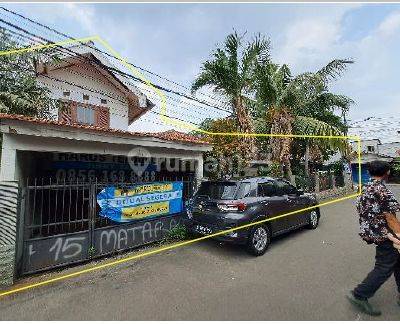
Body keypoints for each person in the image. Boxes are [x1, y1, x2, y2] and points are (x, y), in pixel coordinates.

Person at [346, 160, 400, 316]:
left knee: (397, 262)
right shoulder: (382, 190)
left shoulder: (366, 188)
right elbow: (390, 216)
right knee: (384, 266)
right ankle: (359, 295)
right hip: (386, 234)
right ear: (386, 173)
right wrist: (398, 235)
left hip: (374, 232)